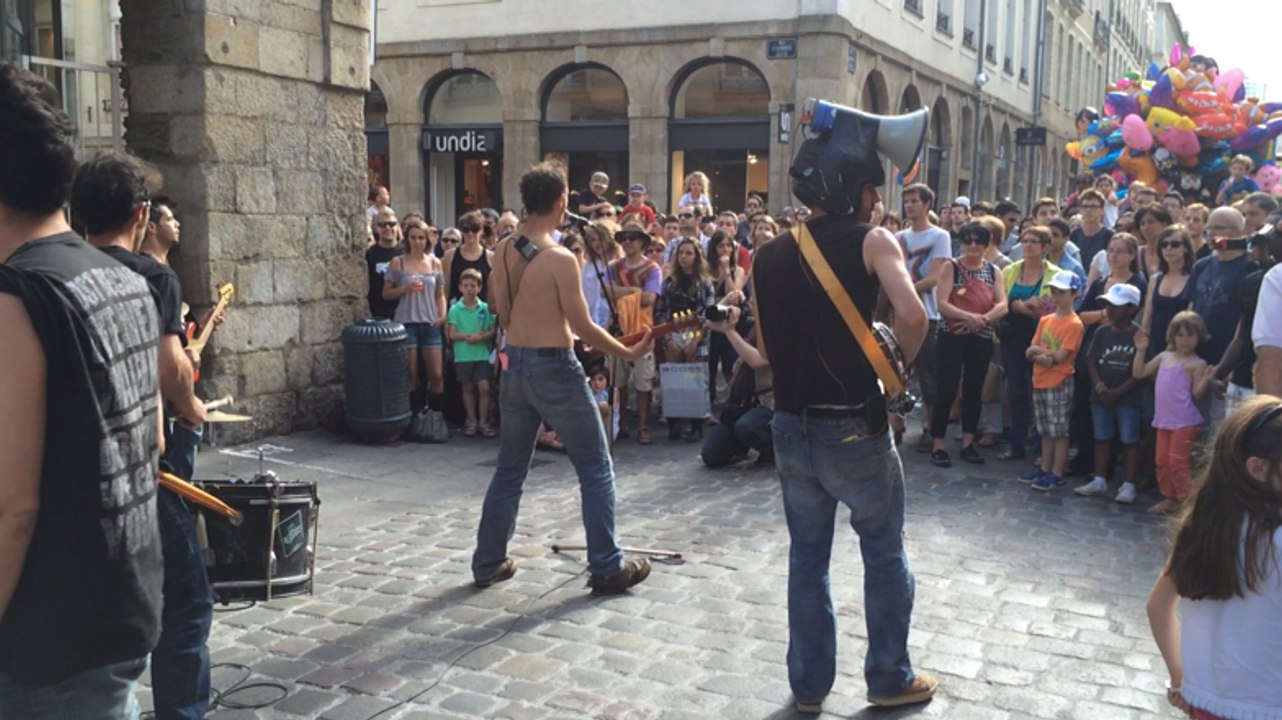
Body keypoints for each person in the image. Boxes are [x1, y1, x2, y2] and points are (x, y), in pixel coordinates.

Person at [752, 107, 935, 712]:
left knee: (808, 559)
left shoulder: (766, 254)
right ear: (854, 189)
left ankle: (807, 688)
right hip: (854, 424)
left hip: (790, 424)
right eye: (871, 188)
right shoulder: (874, 240)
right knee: (882, 549)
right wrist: (896, 373)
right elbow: (913, 316)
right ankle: (887, 676)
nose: (877, 200)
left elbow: (763, 349)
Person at [0, 61, 162, 718]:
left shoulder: (17, 298)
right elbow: (148, 439)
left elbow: (13, 507)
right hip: (120, 602)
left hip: (47, 637)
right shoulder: (120, 275)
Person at [74, 152, 213, 720]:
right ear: (140, 215)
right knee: (186, 603)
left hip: (79, 466)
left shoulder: (60, 271)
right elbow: (170, 369)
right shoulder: (152, 276)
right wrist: (190, 404)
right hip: (143, 465)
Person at [472, 162, 652, 595]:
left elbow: (498, 306)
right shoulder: (559, 258)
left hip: (513, 364)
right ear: (559, 201)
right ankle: (607, 566)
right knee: (595, 466)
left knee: (510, 470)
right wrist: (626, 350)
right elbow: (584, 326)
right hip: (554, 366)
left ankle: (488, 561)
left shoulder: (503, 249)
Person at [1146, 396, 1282, 720]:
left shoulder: (1205, 526)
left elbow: (1157, 606)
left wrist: (1180, 678)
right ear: (1258, 468)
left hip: (1205, 702)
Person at [929, 221, 1007, 467]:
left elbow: (1002, 304)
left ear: (986, 244)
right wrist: (967, 317)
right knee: (947, 388)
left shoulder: (993, 270)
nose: (973, 246)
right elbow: (941, 303)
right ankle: (938, 444)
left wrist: (982, 320)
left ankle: (968, 442)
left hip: (980, 335)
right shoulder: (950, 267)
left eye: (978, 241)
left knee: (974, 389)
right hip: (951, 334)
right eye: (968, 241)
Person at [1134, 312, 1214, 512]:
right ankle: (1169, 497)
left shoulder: (1197, 363)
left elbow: (1197, 392)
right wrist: (1141, 351)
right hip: (1164, 420)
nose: (1185, 340)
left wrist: (1207, 378)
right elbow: (1139, 372)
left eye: (1190, 335)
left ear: (1199, 337)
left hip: (1185, 420)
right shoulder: (1164, 357)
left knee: (1178, 462)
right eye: (1180, 335)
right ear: (1173, 336)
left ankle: (1187, 502)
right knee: (1162, 461)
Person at [1073, 283, 1143, 500]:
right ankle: (1099, 479)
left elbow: (1140, 370)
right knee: (1101, 436)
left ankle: (1129, 484)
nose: (1110, 310)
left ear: (1131, 308)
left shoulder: (1139, 335)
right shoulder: (1102, 332)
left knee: (1129, 439)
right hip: (1100, 395)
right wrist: (1100, 386)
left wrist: (1118, 392)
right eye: (1108, 305)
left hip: (1128, 397)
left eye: (1117, 306)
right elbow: (1091, 359)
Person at [998, 226, 1062, 461]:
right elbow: (999, 298)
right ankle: (1016, 443)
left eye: (1035, 241)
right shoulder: (1010, 270)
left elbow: (1058, 303)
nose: (1028, 245)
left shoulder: (1055, 273)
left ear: (1044, 247)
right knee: (1017, 389)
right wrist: (1018, 304)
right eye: (1025, 240)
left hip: (1043, 335)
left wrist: (1040, 307)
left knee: (1041, 388)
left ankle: (1040, 445)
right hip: (1013, 335)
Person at [896, 183, 952, 453]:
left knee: (929, 376)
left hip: (927, 314)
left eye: (915, 201)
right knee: (895, 373)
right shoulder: (899, 237)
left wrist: (904, 291)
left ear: (927, 204)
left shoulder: (940, 236)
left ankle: (931, 428)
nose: (910, 205)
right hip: (899, 315)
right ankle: (895, 426)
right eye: (907, 201)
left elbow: (934, 277)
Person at [1024, 271, 1085, 490]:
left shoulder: (1074, 323)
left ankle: (1057, 471)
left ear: (1074, 294)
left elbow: (1060, 358)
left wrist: (1040, 354)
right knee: (1045, 429)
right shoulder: (1045, 320)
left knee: (1059, 430)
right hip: (1040, 379)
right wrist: (1044, 355)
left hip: (1059, 381)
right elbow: (1030, 350)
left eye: (1062, 292)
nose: (1056, 296)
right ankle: (1045, 467)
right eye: (1054, 291)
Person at [606, 221, 663, 444]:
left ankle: (642, 425)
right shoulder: (614, 266)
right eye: (624, 238)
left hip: (642, 330)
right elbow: (605, 294)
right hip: (618, 329)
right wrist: (632, 290)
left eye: (632, 237)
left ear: (641, 242)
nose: (628, 242)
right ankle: (620, 423)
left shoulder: (652, 269)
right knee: (618, 378)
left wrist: (619, 294)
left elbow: (650, 298)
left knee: (643, 381)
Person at [385, 218, 447, 414]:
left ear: (427, 239)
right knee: (411, 373)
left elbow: (440, 294)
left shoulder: (436, 263)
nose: (417, 242)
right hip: (406, 321)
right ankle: (412, 415)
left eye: (421, 238)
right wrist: (405, 288)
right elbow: (386, 293)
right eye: (413, 238)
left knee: (436, 374)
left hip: (430, 323)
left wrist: (442, 316)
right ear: (407, 239)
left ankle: (436, 416)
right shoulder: (398, 262)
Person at [658, 237, 715, 441]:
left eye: (689, 253)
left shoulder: (705, 283)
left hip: (696, 336)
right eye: (681, 253)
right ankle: (674, 424)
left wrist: (694, 342)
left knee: (695, 380)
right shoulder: (669, 282)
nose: (684, 257)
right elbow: (661, 311)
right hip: (672, 334)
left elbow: (707, 315)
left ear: (697, 256)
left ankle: (696, 426)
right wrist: (668, 340)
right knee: (673, 379)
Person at [703, 306, 774, 467]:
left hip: (768, 401)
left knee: (746, 427)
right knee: (712, 456)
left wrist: (730, 332)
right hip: (741, 400)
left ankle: (774, 450)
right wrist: (724, 307)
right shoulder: (750, 325)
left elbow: (757, 360)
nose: (750, 303)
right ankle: (741, 445)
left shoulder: (777, 327)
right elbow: (709, 322)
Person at [447, 268, 496, 437]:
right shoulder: (455, 309)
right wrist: (469, 336)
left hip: (482, 353)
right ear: (460, 287)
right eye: (466, 285)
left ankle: (483, 421)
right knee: (467, 387)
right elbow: (451, 334)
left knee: (484, 387)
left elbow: (492, 331)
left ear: (479, 288)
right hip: (463, 354)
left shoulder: (486, 308)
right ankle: (471, 420)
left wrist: (482, 337)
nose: (470, 289)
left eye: (473, 285)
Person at [444, 209, 494, 303]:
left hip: (482, 313)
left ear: (481, 230)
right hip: (456, 312)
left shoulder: (491, 257)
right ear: (461, 231)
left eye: (475, 229)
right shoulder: (450, 256)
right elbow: (445, 288)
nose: (470, 233)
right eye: (466, 229)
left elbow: (494, 290)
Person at [365, 207, 403, 319]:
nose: (387, 228)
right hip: (378, 312)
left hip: (404, 312)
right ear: (376, 228)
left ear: (397, 227)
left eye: (391, 224)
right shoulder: (370, 254)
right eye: (383, 225)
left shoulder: (406, 252)